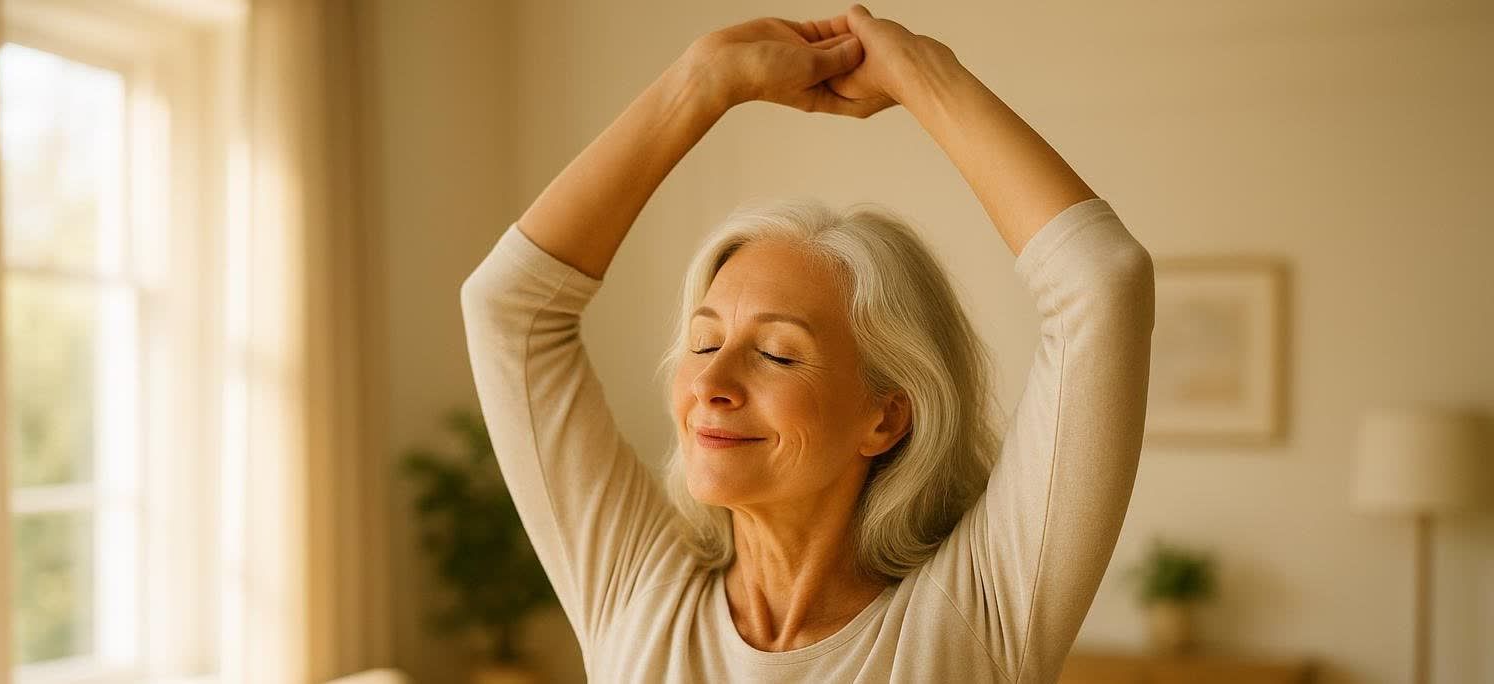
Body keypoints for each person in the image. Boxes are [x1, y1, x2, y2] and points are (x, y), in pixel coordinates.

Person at [459, 4, 1155, 681]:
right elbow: (508, 310)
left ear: (884, 416)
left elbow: (1102, 282)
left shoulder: (973, 614)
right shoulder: (638, 592)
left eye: (777, 354)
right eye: (703, 344)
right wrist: (702, 82)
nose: (710, 385)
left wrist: (923, 74)